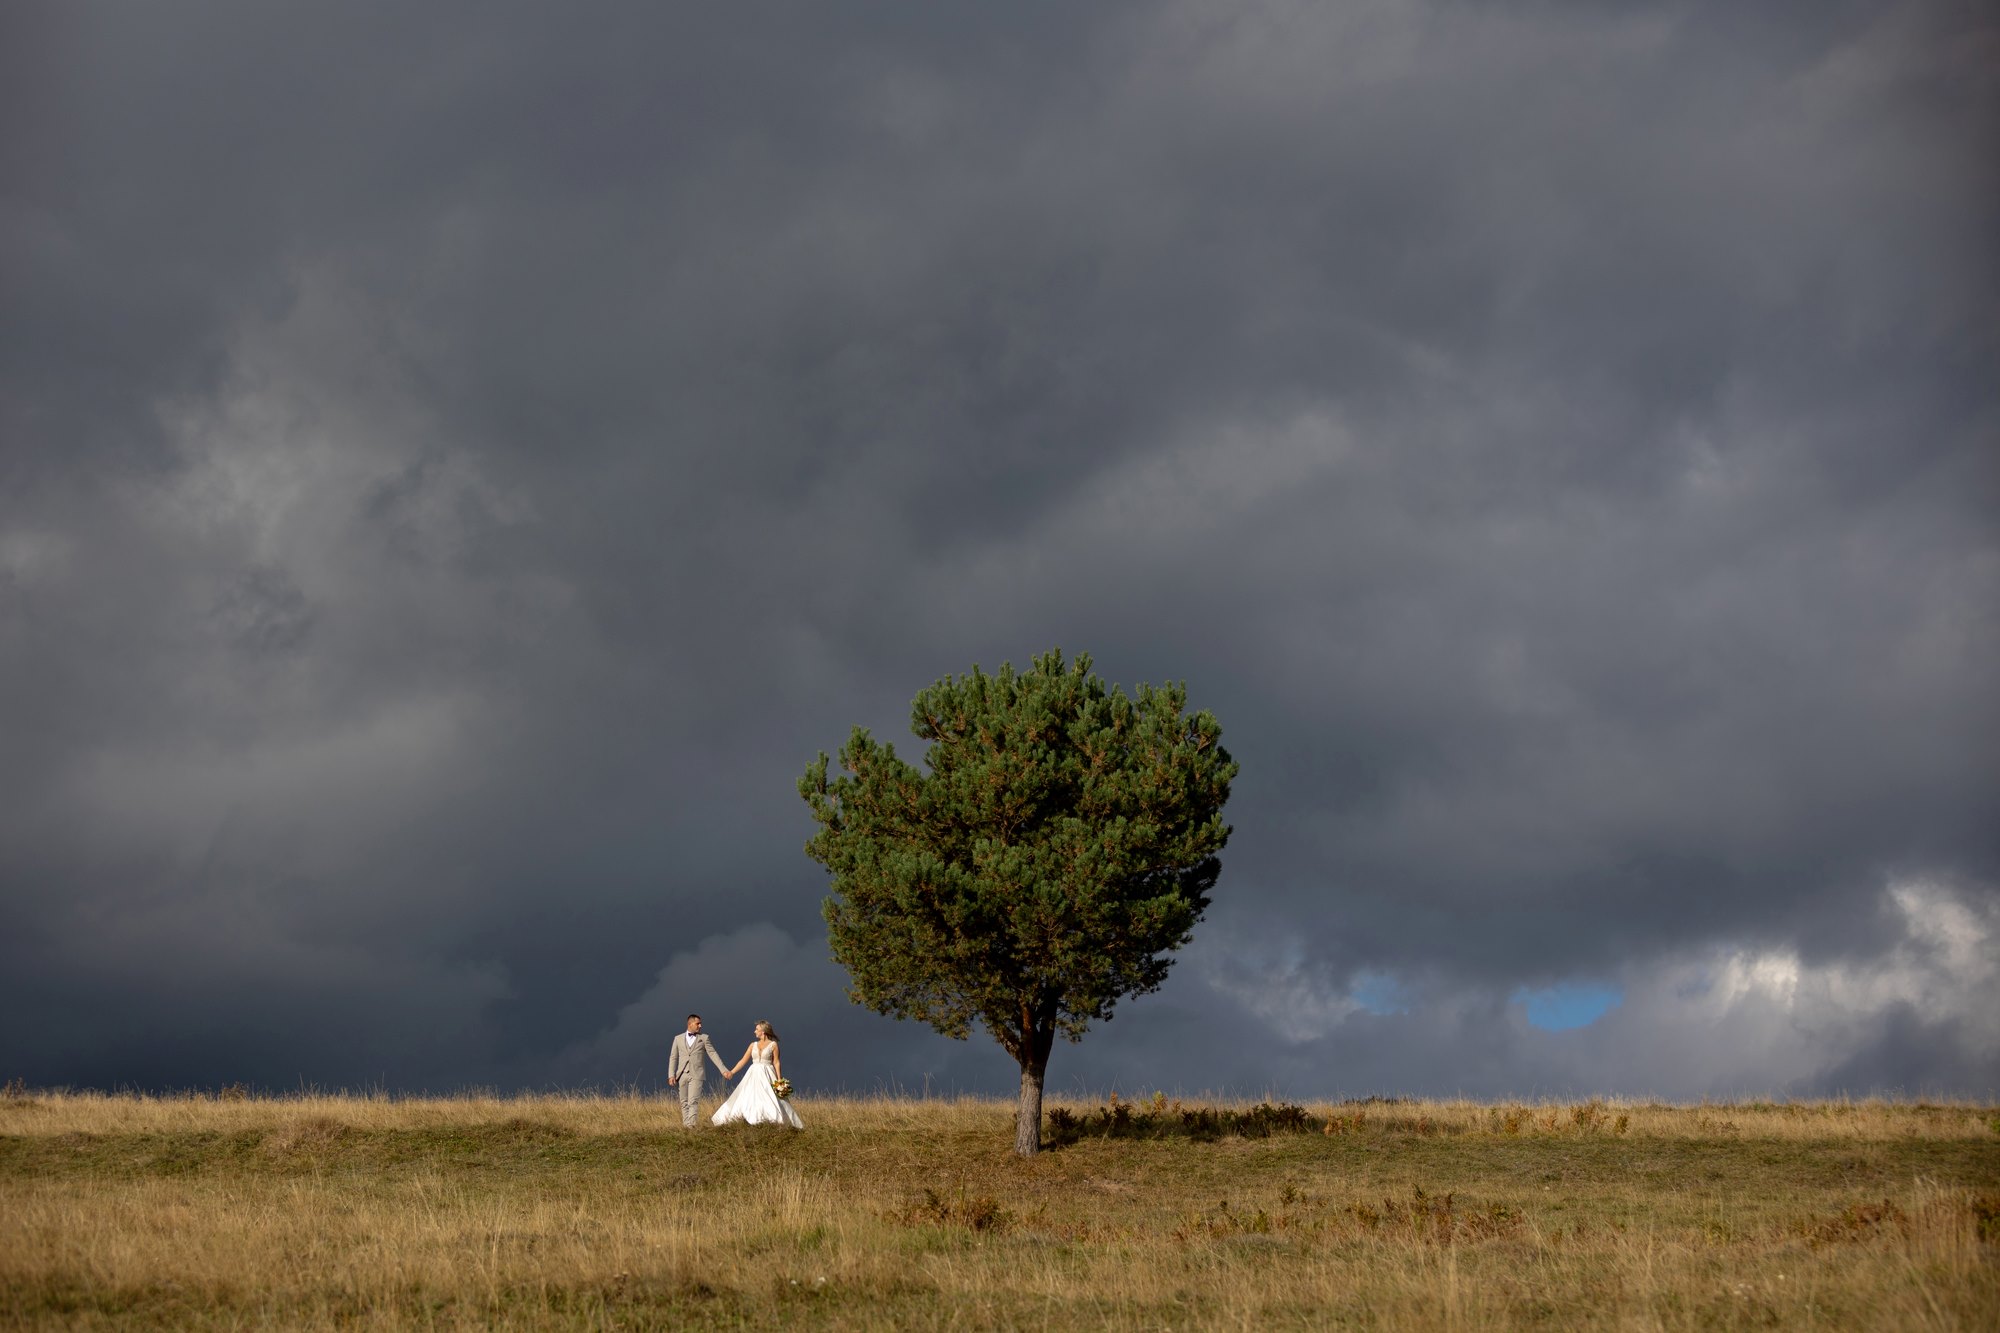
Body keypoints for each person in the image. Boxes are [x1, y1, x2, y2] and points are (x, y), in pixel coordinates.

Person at [710, 1021, 804, 1129]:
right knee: (748, 1096)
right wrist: (732, 1072)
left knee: (769, 1097)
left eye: (757, 1029)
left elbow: (776, 1062)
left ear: (763, 1032)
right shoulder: (752, 1045)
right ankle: (749, 1121)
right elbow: (743, 1060)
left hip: (767, 1073)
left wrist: (779, 1079)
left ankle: (771, 1121)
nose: (754, 1031)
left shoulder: (773, 1045)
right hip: (753, 1074)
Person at [666, 1013, 730, 1128]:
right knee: (684, 1102)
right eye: (698, 1023)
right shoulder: (678, 1038)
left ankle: (692, 1126)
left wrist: (723, 1070)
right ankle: (686, 1126)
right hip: (681, 1075)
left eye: (700, 1023)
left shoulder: (704, 1038)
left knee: (693, 1101)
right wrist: (671, 1075)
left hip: (697, 1074)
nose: (700, 1025)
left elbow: (713, 1054)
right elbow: (673, 1057)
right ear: (690, 1024)